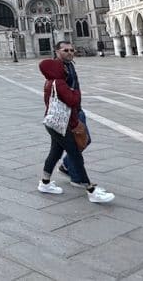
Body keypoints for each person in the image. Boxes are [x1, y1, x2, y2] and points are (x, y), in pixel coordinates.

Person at [38, 58, 115, 204]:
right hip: (63, 125)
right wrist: (75, 92)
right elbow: (73, 100)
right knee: (75, 155)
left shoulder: (49, 82)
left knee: (55, 153)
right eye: (61, 67)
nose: (65, 69)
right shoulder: (59, 83)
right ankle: (91, 190)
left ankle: (45, 183)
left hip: (53, 123)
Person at [53, 41, 87, 182]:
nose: (70, 53)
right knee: (77, 144)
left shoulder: (70, 65)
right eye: (65, 50)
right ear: (57, 52)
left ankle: (51, 176)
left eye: (72, 50)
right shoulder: (57, 68)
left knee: (58, 149)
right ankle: (78, 179)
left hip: (76, 108)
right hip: (67, 112)